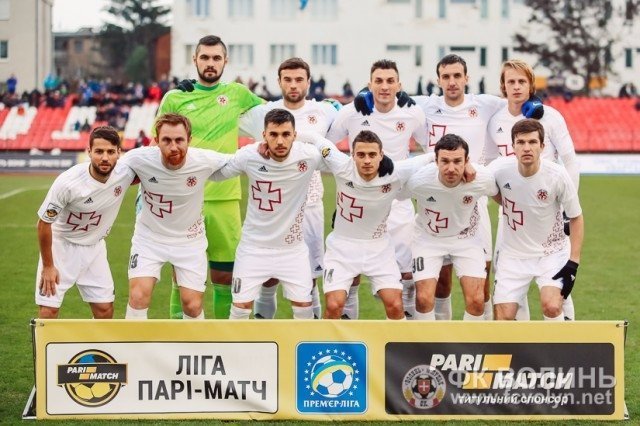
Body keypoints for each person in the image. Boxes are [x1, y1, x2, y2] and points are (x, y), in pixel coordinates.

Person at [157, 35, 264, 319]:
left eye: (217, 58)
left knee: (225, 275)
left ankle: (224, 338)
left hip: (225, 197)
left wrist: (330, 105)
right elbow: (158, 143)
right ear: (195, 60)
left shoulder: (237, 93)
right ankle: (180, 336)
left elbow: (278, 113)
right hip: (184, 198)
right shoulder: (175, 97)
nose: (210, 63)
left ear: (225, 61)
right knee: (181, 277)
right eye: (204, 57)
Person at [327, 59, 428, 320]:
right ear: (369, 84)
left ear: (399, 85)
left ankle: (405, 332)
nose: (384, 87)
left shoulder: (412, 112)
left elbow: (431, 147)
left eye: (390, 81)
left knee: (407, 273)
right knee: (351, 275)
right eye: (379, 81)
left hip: (397, 199)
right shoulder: (352, 111)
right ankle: (348, 328)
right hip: (360, 199)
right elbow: (327, 141)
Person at [239, 57, 339, 319]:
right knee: (268, 278)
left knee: (311, 278)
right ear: (279, 81)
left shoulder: (324, 111)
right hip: (273, 208)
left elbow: (354, 117)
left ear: (308, 82)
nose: (293, 85)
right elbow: (226, 117)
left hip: (311, 203)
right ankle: (264, 333)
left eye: (299, 79)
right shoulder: (263, 112)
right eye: (288, 79)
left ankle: (310, 335)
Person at [300, 130, 432, 320]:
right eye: (361, 155)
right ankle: (329, 340)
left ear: (381, 155)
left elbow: (432, 158)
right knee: (334, 305)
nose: (367, 160)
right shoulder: (341, 164)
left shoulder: (396, 171)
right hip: (342, 248)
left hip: (378, 248)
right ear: (352, 155)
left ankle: (398, 341)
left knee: (395, 305)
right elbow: (315, 138)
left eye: (372, 154)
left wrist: (468, 166)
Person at [487, 59, 579, 320]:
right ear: (503, 86)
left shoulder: (550, 116)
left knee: (557, 283)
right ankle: (521, 338)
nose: (516, 87)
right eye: (511, 82)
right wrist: (504, 199)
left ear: (530, 85)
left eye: (522, 81)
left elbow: (570, 161)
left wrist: (566, 210)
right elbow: (491, 167)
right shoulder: (495, 121)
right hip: (512, 215)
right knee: (510, 280)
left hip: (548, 210)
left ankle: (568, 334)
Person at [213, 109, 324, 320]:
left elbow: (342, 164)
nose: (280, 141)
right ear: (264, 135)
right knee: (240, 309)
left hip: (292, 250)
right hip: (253, 248)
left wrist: (311, 137)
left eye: (286, 134)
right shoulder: (250, 156)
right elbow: (218, 173)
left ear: (294, 135)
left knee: (304, 309)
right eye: (273, 134)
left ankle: (300, 344)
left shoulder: (308, 156)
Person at [122, 113, 230, 320]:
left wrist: (261, 150)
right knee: (138, 296)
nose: (173, 147)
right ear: (156, 140)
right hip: (149, 238)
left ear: (189, 140)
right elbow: (112, 174)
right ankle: (133, 342)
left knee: (192, 305)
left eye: (179, 140)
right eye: (166, 140)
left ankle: (192, 341)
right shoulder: (138, 159)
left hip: (189, 240)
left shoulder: (204, 159)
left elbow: (238, 161)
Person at [35, 126, 135, 319]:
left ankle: (96, 342)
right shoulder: (68, 183)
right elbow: (43, 223)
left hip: (95, 247)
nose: (104, 158)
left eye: (110, 152)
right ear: (89, 151)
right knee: (48, 311)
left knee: (105, 310)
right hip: (61, 247)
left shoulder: (125, 174)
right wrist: (48, 266)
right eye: (99, 151)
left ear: (119, 152)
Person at [406, 134, 497, 321]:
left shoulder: (482, 178)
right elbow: (392, 193)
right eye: (445, 161)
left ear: (467, 161)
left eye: (457, 161)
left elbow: (501, 195)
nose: (451, 168)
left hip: (467, 239)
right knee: (423, 299)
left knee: (477, 300)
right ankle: (429, 340)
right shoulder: (418, 181)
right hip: (428, 239)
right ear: (436, 161)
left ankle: (471, 340)